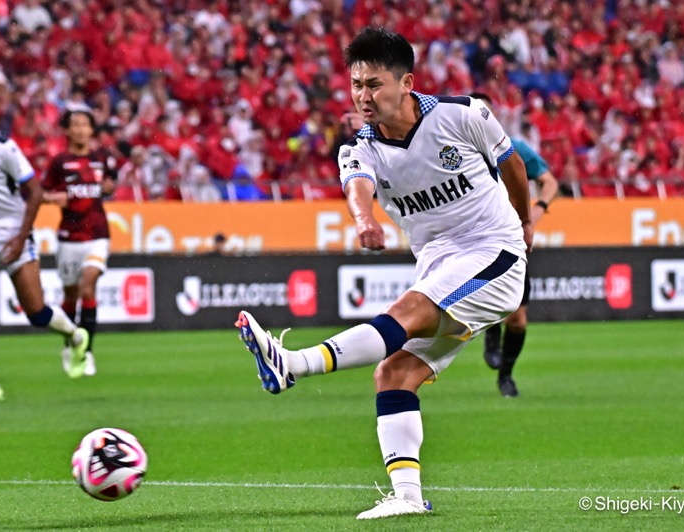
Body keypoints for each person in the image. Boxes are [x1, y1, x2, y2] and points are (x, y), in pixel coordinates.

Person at [235, 28, 532, 520]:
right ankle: (408, 497)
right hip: (441, 263)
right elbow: (358, 184)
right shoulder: (361, 146)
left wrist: (523, 225)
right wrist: (364, 219)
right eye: (356, 85)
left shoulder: (462, 114)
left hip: (493, 253)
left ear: (407, 82)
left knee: (406, 314)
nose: (363, 96)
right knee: (394, 374)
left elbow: (513, 165)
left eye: (374, 84)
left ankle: (293, 365)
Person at [0, 87, 90, 403]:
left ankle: (74, 335)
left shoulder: (2, 149)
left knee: (36, 313)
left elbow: (36, 191)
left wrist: (20, 236)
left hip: (14, 234)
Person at [471, 93, 560, 398]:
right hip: (475, 240)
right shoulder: (459, 151)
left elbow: (549, 181)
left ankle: (506, 376)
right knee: (491, 306)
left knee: (518, 318)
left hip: (511, 238)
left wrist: (535, 212)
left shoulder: (513, 148)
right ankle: (491, 334)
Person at [41, 106, 116, 377]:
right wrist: (51, 199)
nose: (81, 129)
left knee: (88, 287)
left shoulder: (102, 159)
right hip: (68, 237)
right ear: (67, 130)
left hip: (97, 234)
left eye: (86, 124)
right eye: (76, 124)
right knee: (71, 295)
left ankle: (87, 353)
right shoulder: (59, 162)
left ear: (91, 130)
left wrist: (110, 188)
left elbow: (110, 184)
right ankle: (70, 342)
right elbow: (40, 192)